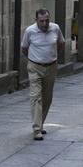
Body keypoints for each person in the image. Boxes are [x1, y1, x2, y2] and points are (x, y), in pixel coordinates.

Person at [20, 8, 65, 140]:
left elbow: (61, 43)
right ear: (36, 20)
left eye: (47, 20)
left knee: (47, 98)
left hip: (51, 67)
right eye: (41, 21)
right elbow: (24, 48)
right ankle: (36, 129)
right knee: (36, 97)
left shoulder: (55, 28)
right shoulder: (30, 31)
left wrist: (53, 55)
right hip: (35, 67)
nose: (44, 24)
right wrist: (33, 58)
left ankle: (41, 123)